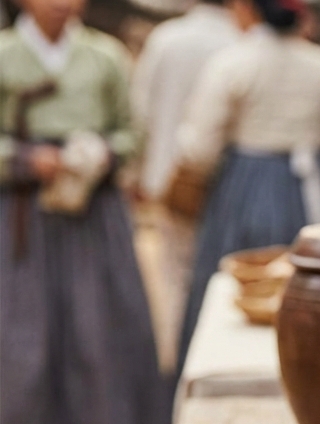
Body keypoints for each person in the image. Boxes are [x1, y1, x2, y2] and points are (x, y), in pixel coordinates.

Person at [0, 0, 171, 424]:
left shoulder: (105, 56)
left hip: (94, 212)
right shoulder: (5, 54)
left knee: (103, 330)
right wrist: (27, 159)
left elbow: (131, 130)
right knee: (24, 338)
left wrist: (101, 153)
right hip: (22, 217)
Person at [173, 0, 320, 374]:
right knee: (317, 294)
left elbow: (200, 147)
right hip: (315, 192)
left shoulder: (233, 63)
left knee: (240, 291)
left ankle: (228, 376)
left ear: (252, 9)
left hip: (245, 192)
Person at [130, 0, 241, 368]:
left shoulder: (166, 39)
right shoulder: (239, 38)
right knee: (220, 275)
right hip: (225, 182)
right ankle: (213, 361)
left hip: (169, 178)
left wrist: (138, 172)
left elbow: (141, 111)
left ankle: (177, 366)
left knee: (175, 276)